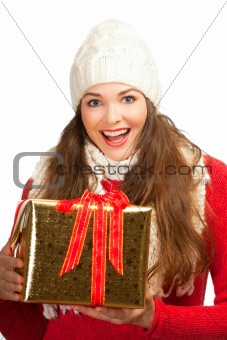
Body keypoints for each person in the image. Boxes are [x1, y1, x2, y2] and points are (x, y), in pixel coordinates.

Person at [0, 19, 227, 339]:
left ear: (149, 101)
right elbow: (31, 330)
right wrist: (4, 292)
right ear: (81, 109)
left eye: (128, 98)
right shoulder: (47, 179)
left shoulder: (204, 178)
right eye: (95, 102)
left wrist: (151, 317)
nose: (111, 117)